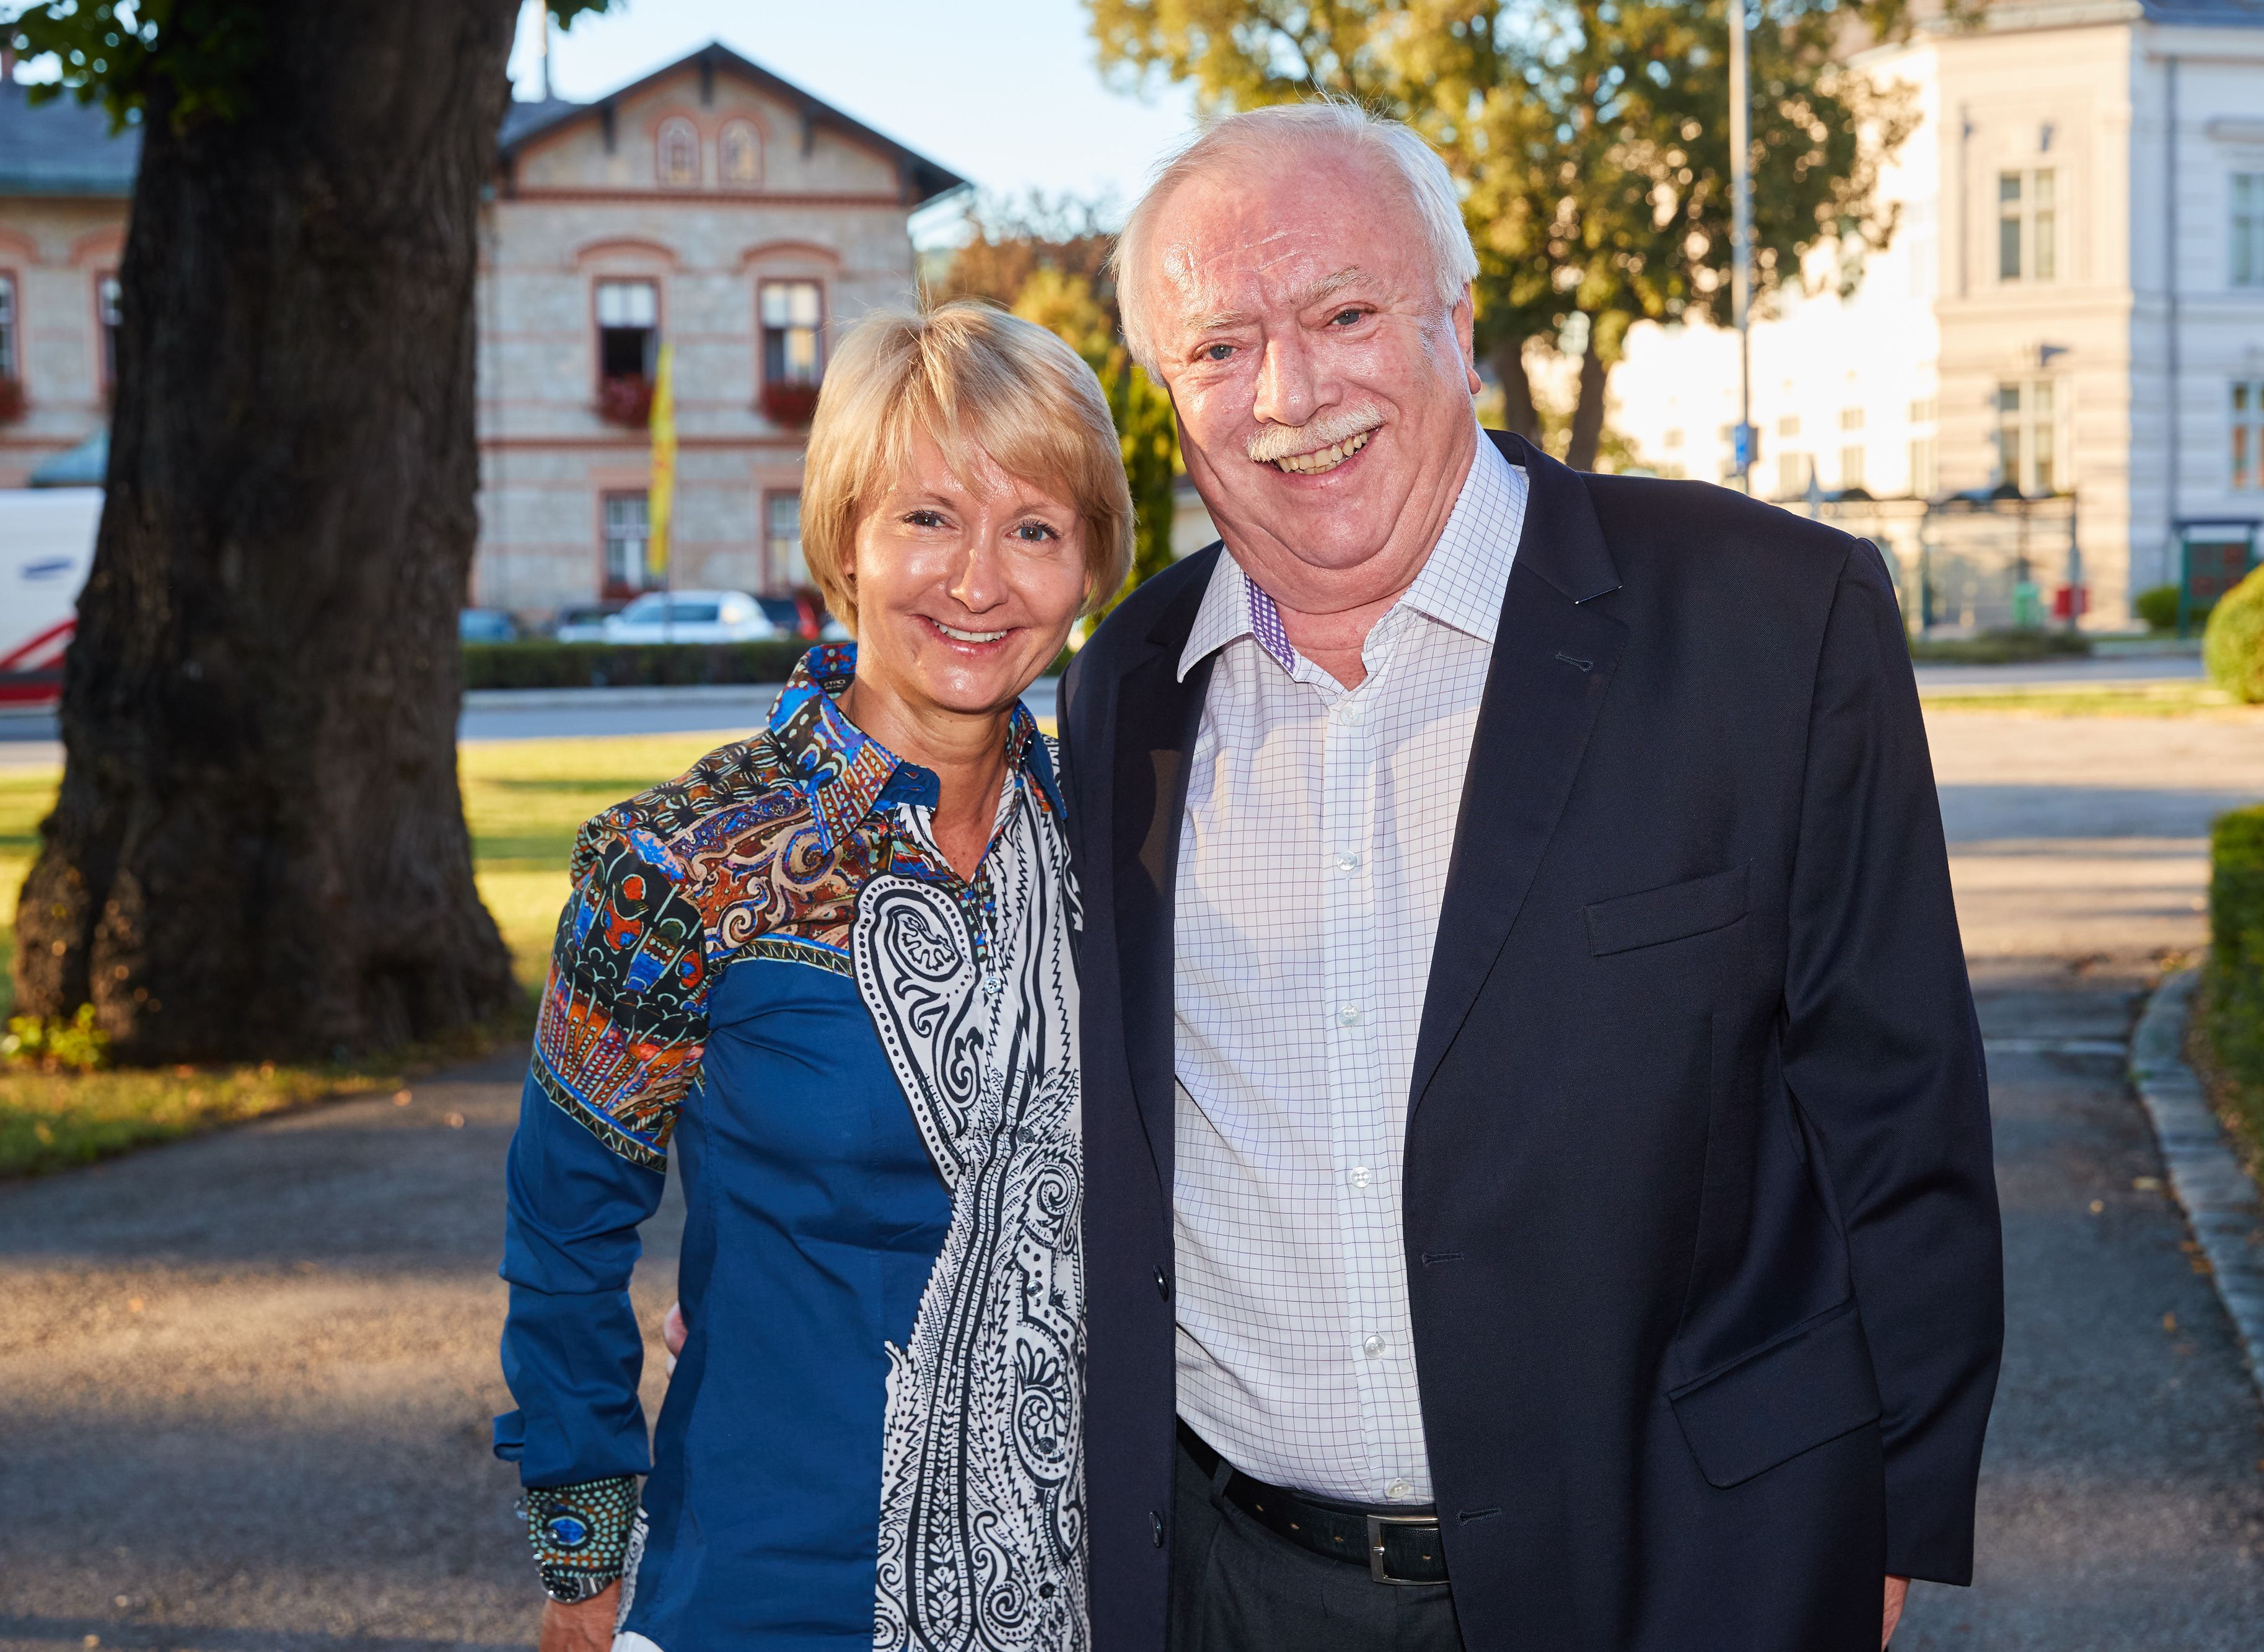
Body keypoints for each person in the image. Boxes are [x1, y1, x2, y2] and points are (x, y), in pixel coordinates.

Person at [1058, 102, 2004, 1651]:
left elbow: (1896, 1104)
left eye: (1343, 313)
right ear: (1169, 394)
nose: (1287, 393)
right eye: (1218, 348)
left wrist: (1886, 1519)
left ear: (1458, 318)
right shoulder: (1127, 685)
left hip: (1681, 1566)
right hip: (1234, 1588)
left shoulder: (1771, 617)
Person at [494, 302, 1130, 1652]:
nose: (978, 579)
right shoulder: (679, 864)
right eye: (926, 518)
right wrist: (580, 1563)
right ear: (844, 535)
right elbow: (564, 1236)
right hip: (763, 1590)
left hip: (1080, 1593)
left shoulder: (1122, 852)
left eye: (1034, 527)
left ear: (1089, 567)